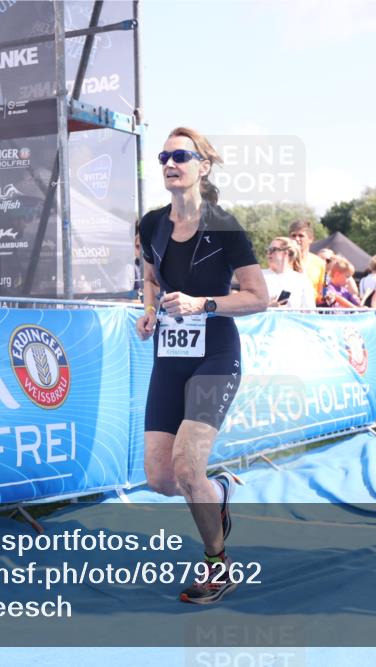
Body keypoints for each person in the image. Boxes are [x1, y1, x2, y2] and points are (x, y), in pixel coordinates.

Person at [135, 127, 268, 605]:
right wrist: (149, 309)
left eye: (181, 155)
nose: (171, 163)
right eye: (164, 155)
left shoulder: (225, 226)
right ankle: (217, 493)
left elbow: (259, 298)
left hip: (215, 355)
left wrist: (202, 304)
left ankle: (218, 566)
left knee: (188, 467)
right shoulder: (151, 224)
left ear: (202, 167)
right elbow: (150, 275)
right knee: (160, 478)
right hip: (168, 356)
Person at [262, 236, 315, 309]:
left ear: (286, 253)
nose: (269, 253)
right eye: (268, 250)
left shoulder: (302, 280)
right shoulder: (259, 276)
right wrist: (268, 307)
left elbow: (310, 311)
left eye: (273, 250)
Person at [288, 220, 326, 304]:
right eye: (293, 235)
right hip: (288, 311)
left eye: (301, 236)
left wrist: (327, 298)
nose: (296, 239)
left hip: (310, 311)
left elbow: (319, 294)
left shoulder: (319, 263)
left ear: (310, 239)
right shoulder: (283, 260)